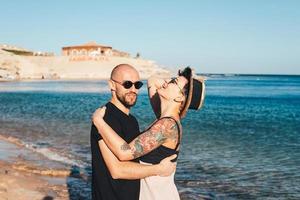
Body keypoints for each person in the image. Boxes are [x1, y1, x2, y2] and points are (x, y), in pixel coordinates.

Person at [93, 67, 205, 200]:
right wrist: (175, 81)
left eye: (173, 82)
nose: (166, 83)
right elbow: (152, 81)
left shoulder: (167, 126)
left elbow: (125, 152)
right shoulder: (163, 118)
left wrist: (98, 121)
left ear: (180, 96)